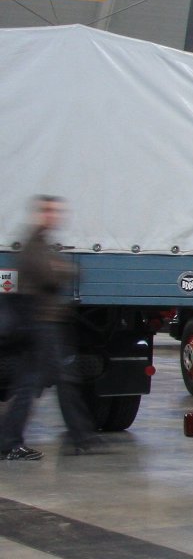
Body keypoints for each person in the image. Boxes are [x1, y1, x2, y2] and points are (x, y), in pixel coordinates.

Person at [0, 195, 97, 459]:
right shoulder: (34, 245)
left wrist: (59, 267)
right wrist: (61, 268)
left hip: (40, 322)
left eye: (56, 211)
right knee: (43, 382)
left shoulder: (41, 243)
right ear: (39, 214)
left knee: (31, 383)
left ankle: (11, 441)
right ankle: (12, 443)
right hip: (39, 323)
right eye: (49, 211)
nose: (54, 216)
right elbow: (51, 276)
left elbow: (59, 272)